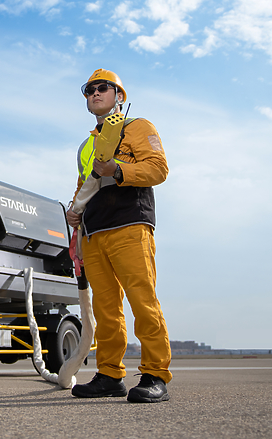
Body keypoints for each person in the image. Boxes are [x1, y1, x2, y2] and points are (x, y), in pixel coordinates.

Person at [66, 68, 172, 403]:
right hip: (95, 232)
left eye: (102, 88)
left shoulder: (137, 127)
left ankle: (155, 374)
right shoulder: (87, 144)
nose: (94, 93)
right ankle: (110, 375)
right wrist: (74, 212)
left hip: (130, 224)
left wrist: (119, 169)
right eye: (88, 90)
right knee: (106, 309)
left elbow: (158, 169)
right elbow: (84, 185)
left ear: (119, 95)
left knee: (143, 301)